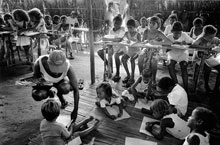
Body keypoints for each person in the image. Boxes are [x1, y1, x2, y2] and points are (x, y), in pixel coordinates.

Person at [32, 50, 79, 120]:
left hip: (60, 83)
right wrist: (43, 85)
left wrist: (75, 110)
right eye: (54, 69)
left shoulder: (68, 66)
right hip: (45, 84)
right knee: (37, 95)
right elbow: (35, 82)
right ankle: (51, 96)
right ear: (48, 63)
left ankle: (60, 97)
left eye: (60, 69)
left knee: (65, 88)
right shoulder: (39, 63)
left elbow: (76, 90)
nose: (57, 72)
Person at [138, 16, 172, 87]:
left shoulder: (159, 33)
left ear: (158, 25)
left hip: (156, 50)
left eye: (153, 23)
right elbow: (142, 42)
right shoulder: (146, 31)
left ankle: (153, 79)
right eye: (150, 22)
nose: (151, 24)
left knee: (154, 60)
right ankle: (141, 75)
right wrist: (145, 41)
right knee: (140, 57)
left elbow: (169, 42)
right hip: (146, 48)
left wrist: (157, 43)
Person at [167, 21, 194, 92]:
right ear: (172, 31)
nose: (178, 35)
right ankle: (176, 85)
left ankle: (186, 87)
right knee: (170, 66)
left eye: (179, 33)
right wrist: (171, 45)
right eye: (176, 33)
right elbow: (166, 49)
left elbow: (193, 42)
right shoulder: (169, 37)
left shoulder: (184, 35)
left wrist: (187, 43)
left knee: (184, 67)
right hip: (172, 54)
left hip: (183, 54)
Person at [192, 25, 220, 93]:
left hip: (209, 58)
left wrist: (216, 48)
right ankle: (206, 86)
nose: (213, 36)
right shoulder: (201, 39)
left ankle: (216, 88)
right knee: (207, 69)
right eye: (212, 35)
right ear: (208, 34)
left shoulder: (214, 39)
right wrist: (207, 48)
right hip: (199, 59)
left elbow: (218, 42)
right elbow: (193, 45)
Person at [97, 15, 125, 81]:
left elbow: (119, 39)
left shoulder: (122, 29)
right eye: (115, 23)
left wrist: (108, 39)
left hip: (122, 48)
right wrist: (105, 42)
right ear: (113, 22)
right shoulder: (111, 31)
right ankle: (108, 65)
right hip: (112, 48)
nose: (116, 25)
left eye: (118, 23)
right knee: (100, 52)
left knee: (116, 56)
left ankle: (117, 73)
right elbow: (109, 39)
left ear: (121, 24)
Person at [121, 19, 141, 87]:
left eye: (131, 27)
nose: (129, 29)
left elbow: (141, 43)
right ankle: (128, 75)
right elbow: (123, 39)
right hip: (130, 51)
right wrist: (126, 41)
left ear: (134, 27)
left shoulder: (138, 34)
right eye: (128, 27)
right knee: (123, 59)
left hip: (137, 51)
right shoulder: (127, 33)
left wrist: (135, 42)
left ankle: (132, 77)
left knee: (132, 59)